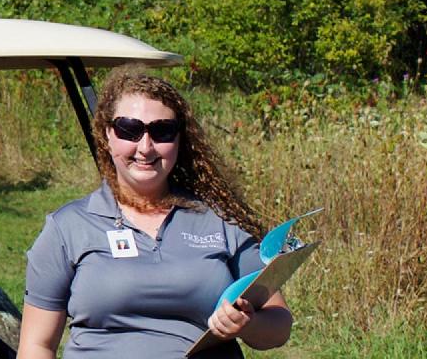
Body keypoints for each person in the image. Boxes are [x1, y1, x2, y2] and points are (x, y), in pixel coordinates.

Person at [17, 67, 293, 358]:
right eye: (130, 129)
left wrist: (246, 324)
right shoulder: (68, 227)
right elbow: (37, 346)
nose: (145, 147)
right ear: (107, 135)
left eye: (162, 131)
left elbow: (279, 324)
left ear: (179, 139)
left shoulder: (220, 220)